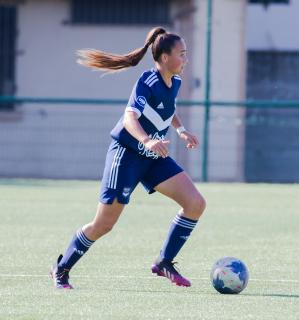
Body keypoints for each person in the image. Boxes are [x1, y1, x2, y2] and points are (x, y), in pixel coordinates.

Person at [49, 27, 206, 289]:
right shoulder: (147, 81)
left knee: (195, 203)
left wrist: (180, 130)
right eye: (182, 54)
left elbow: (169, 108)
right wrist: (147, 140)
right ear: (165, 57)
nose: (186, 60)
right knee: (104, 224)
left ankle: (164, 262)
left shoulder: (175, 82)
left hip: (153, 157)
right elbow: (130, 117)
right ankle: (62, 267)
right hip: (127, 155)